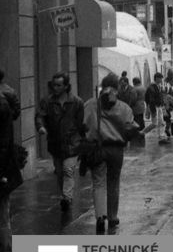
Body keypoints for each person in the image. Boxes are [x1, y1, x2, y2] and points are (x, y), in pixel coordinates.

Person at [83, 73, 138, 234]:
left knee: (98, 183)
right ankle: (113, 216)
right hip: (116, 150)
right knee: (113, 182)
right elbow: (130, 127)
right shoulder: (124, 107)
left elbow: (84, 124)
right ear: (117, 87)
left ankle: (100, 216)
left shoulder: (91, 104)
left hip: (97, 148)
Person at [35, 72, 84, 213]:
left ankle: (67, 198)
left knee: (68, 170)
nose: (55, 88)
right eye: (54, 85)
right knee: (60, 172)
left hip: (72, 142)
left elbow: (81, 122)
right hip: (55, 142)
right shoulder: (47, 101)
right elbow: (40, 116)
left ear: (66, 86)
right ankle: (65, 195)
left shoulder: (77, 102)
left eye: (59, 85)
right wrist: (41, 127)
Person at [0, 70, 23, 252]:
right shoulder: (6, 98)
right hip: (4, 166)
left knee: (2, 213)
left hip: (3, 167)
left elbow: (3, 143)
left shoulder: (2, 102)